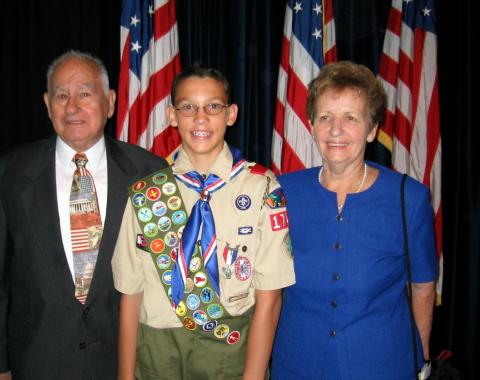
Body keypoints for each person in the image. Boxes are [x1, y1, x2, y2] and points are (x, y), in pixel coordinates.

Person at [112, 66, 295, 380]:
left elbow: (270, 297)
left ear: (231, 113)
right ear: (172, 115)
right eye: (188, 107)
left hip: (230, 355)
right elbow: (130, 293)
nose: (200, 118)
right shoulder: (148, 194)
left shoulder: (261, 188)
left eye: (213, 106)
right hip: (157, 352)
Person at [0, 50, 167, 380]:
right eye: (62, 95)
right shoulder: (10, 174)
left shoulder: (150, 174)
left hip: (125, 365)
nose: (72, 106)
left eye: (85, 93)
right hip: (35, 365)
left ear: (110, 101)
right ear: (48, 104)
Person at [271, 61, 437, 380]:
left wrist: (422, 360)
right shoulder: (281, 192)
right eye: (325, 117)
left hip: (383, 365)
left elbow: (423, 287)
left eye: (351, 117)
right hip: (297, 364)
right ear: (311, 125)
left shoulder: (409, 198)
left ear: (372, 129)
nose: (336, 130)